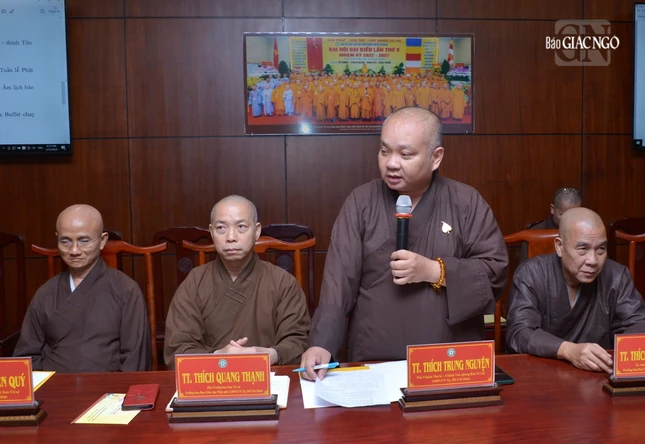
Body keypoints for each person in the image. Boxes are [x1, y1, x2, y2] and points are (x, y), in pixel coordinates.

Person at [300, 107, 508, 380]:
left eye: (405, 154)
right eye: (384, 151)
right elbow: (338, 283)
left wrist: (434, 271)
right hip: (375, 360)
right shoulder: (361, 203)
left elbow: (495, 272)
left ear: (436, 157)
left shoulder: (465, 202)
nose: (391, 163)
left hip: (447, 364)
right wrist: (321, 343)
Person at [164, 195, 310, 369]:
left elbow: (298, 342)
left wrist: (269, 355)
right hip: (210, 379)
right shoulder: (194, 282)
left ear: (257, 231)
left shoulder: (283, 283)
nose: (231, 237)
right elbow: (177, 348)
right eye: (221, 228)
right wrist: (217, 357)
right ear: (211, 232)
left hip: (269, 377)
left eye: (241, 227)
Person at [506, 207, 645, 373]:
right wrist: (569, 350)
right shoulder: (532, 274)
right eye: (583, 249)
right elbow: (520, 333)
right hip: (541, 374)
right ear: (559, 246)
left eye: (601, 249)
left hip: (598, 373)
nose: (593, 260)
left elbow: (638, 323)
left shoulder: (616, 276)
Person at [13, 205, 150, 372]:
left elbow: (134, 361)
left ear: (102, 240)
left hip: (108, 388)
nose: (74, 250)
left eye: (84, 241)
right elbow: (26, 357)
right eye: (65, 241)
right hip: (53, 386)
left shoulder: (125, 290)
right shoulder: (45, 293)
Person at [520, 187, 582, 261]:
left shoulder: (584, 232)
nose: (569, 220)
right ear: (552, 209)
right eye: (562, 214)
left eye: (574, 215)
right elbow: (525, 266)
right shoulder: (533, 234)